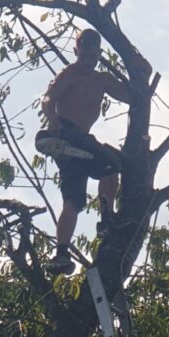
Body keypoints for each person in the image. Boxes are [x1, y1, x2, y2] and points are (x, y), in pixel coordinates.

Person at [39, 28, 146, 275]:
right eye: (83, 56)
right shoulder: (70, 74)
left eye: (92, 57)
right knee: (109, 161)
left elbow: (133, 96)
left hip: (80, 148)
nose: (87, 61)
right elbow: (48, 98)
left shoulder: (102, 80)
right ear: (77, 52)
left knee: (75, 199)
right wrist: (53, 122)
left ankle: (64, 252)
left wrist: (140, 69)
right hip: (68, 132)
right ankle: (57, 145)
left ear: (99, 54)